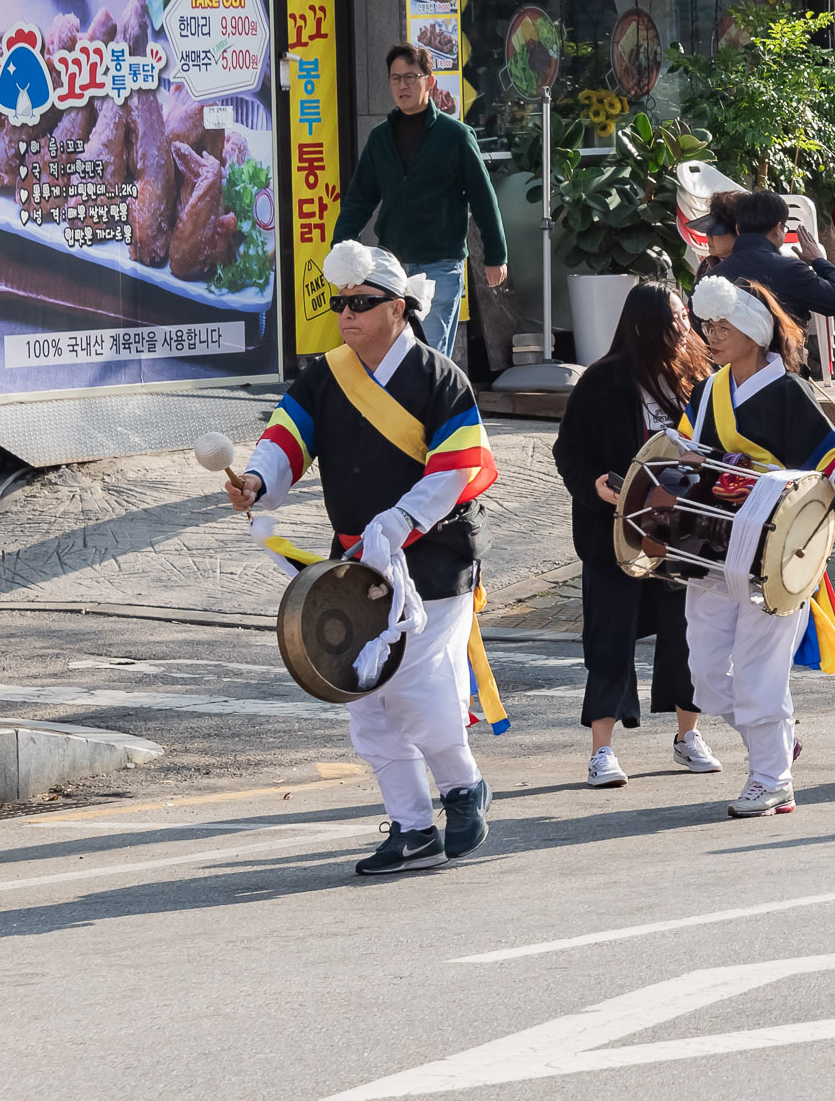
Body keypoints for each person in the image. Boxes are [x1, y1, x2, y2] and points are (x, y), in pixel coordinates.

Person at [224, 242, 498, 876]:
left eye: (360, 303)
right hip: (354, 563)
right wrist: (258, 484)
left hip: (434, 556)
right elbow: (287, 436)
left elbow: (458, 468)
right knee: (367, 702)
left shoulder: (439, 379)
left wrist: (400, 520)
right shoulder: (325, 375)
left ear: (397, 309)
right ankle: (411, 827)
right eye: (339, 303)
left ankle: (462, 787)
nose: (346, 315)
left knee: (421, 690)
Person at [675, 276, 835, 817]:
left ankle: (771, 778)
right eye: (708, 326)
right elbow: (689, 447)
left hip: (774, 550)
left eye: (723, 327)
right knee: (708, 675)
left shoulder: (788, 392)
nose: (710, 336)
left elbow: (831, 455)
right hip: (713, 543)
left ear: (754, 334)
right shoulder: (708, 390)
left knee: (760, 670)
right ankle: (776, 740)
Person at [551, 283, 715, 789]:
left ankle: (688, 735)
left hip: (680, 532)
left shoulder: (698, 379)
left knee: (687, 634)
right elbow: (569, 451)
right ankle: (602, 749)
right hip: (615, 533)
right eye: (673, 321)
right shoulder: (602, 381)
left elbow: (718, 444)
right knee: (609, 638)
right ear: (642, 325)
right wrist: (593, 485)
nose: (682, 330)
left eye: (684, 319)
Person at [331, 45, 509, 360]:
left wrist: (496, 255)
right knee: (392, 357)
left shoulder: (455, 136)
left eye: (411, 77)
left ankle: (429, 410)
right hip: (392, 267)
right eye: (396, 78)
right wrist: (341, 248)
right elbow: (359, 200)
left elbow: (483, 198)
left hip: (440, 266)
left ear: (430, 82)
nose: (402, 85)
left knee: (428, 357)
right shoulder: (380, 138)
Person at [711, 189, 835, 325]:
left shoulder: (712, 277)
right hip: (784, 351)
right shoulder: (790, 271)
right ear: (778, 229)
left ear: (737, 229)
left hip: (726, 351)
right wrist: (819, 261)